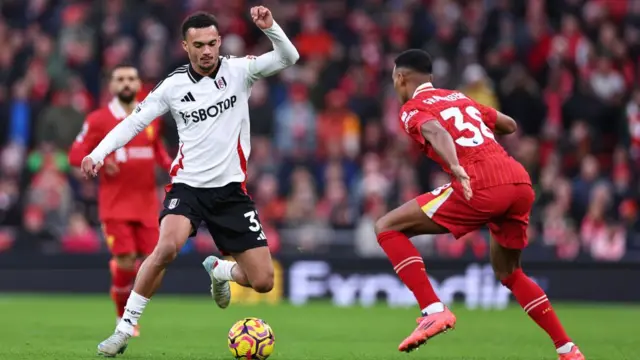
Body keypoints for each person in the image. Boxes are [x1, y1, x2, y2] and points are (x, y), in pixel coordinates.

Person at [82, 8, 299, 357]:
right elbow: (133, 123)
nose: (207, 50)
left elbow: (290, 57)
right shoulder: (173, 86)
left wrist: (270, 28)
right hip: (188, 187)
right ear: (186, 46)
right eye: (199, 44)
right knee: (166, 247)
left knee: (263, 281)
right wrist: (98, 153)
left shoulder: (240, 70)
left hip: (231, 193)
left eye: (212, 42)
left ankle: (220, 271)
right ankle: (124, 329)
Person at [375, 49, 584, 360]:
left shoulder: (410, 108)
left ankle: (433, 309)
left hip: (480, 182)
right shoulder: (459, 97)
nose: (394, 84)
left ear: (401, 77)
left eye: (393, 78)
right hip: (518, 182)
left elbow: (436, 131)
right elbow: (509, 125)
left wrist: (454, 163)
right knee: (510, 272)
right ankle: (568, 350)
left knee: (387, 226)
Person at [69, 64, 172, 337]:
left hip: (147, 205)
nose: (126, 83)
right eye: (120, 79)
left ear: (139, 84)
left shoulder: (151, 116)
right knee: (126, 261)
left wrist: (173, 167)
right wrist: (99, 159)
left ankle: (128, 302)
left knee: (157, 264)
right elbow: (75, 152)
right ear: (111, 86)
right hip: (115, 205)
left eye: (131, 78)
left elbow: (158, 150)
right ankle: (123, 316)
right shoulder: (98, 119)